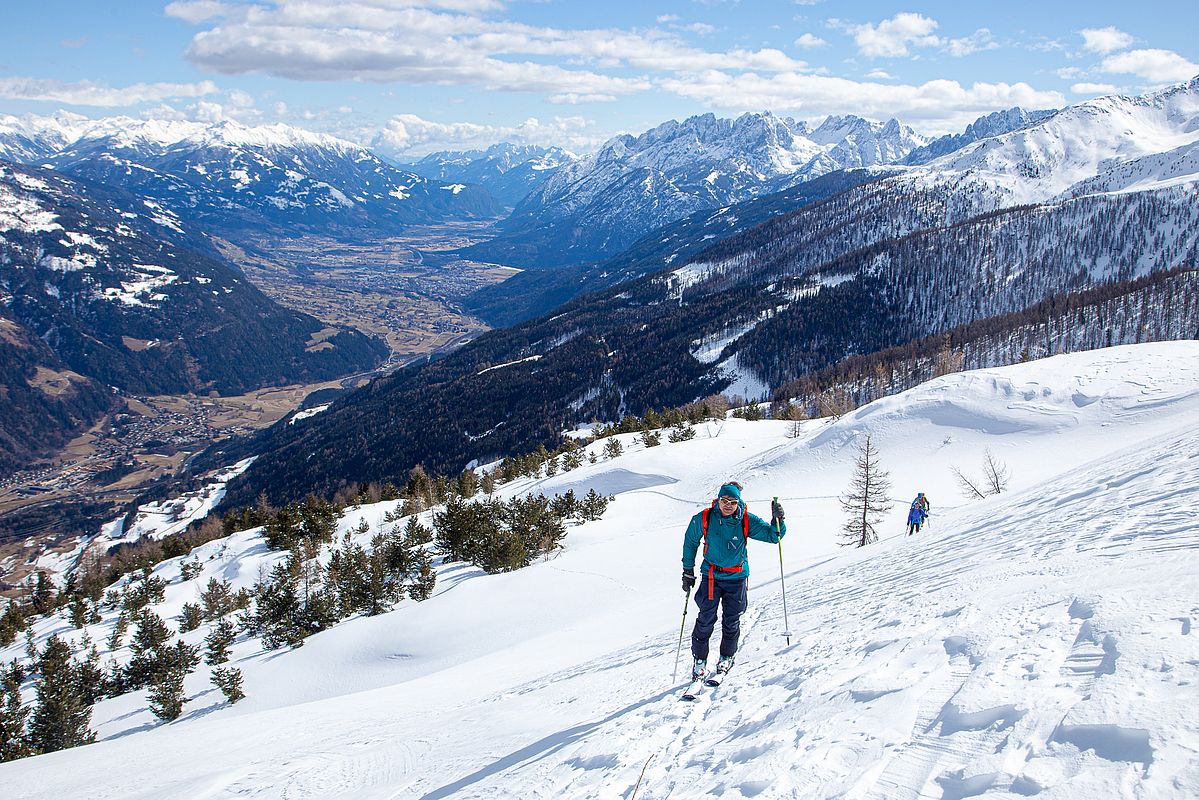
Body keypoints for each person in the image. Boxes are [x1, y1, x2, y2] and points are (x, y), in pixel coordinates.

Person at [681, 482, 785, 681]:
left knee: (731, 620)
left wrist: (779, 519)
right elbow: (690, 541)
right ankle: (700, 660)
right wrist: (688, 570)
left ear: (738, 502)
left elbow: (774, 536)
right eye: (724, 501)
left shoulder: (745, 520)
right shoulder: (704, 518)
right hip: (711, 577)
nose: (728, 505)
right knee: (705, 620)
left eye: (733, 502)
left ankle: (726, 657)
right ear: (718, 500)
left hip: (736, 578)